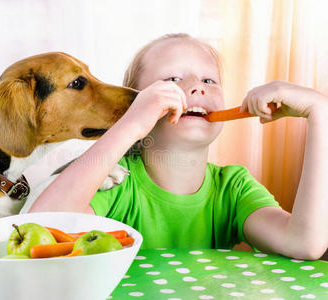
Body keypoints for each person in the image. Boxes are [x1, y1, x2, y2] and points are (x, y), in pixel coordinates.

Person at [28, 33, 328, 260]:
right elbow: (43, 231)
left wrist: (320, 112)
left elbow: (304, 244)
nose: (198, 87)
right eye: (173, 79)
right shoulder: (115, 182)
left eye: (210, 80)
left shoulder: (233, 189)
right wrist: (130, 125)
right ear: (138, 104)